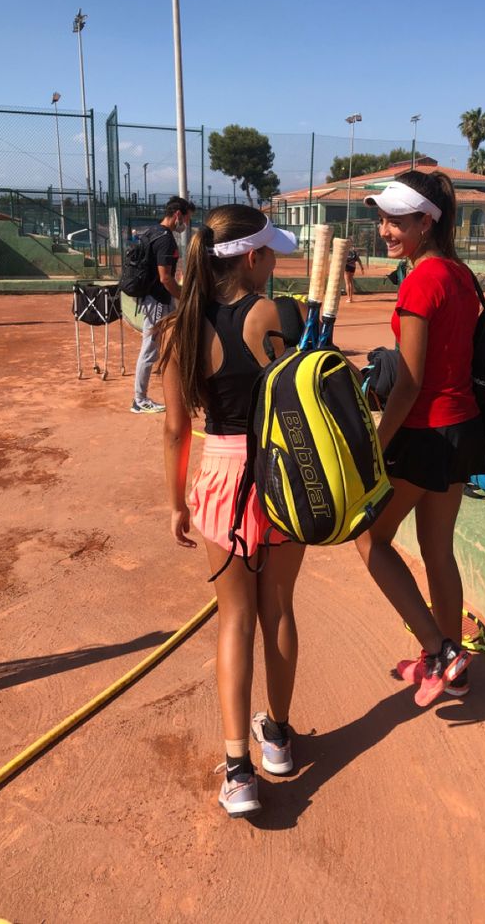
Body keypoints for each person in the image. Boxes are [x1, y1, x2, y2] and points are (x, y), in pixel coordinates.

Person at [159, 204, 305, 818]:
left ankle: (239, 769)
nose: (275, 261)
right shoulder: (277, 314)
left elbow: (174, 429)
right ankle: (277, 736)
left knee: (234, 621)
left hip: (220, 480)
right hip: (280, 474)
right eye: (271, 251)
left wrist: (176, 504)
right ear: (252, 258)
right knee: (279, 608)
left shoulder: (178, 329)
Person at [354, 172, 485, 707]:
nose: (385, 229)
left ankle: (439, 652)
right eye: (383, 219)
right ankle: (451, 661)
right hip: (461, 428)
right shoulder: (459, 273)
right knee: (437, 550)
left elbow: (408, 383)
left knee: (371, 541)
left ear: (425, 221)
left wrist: (375, 444)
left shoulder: (420, 280)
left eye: (396, 220)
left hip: (424, 431)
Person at [130, 196, 194, 415]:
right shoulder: (165, 238)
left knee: (177, 338)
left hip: (155, 298)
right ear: (178, 214)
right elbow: (165, 278)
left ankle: (184, 387)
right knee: (150, 348)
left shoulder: (151, 231)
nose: (186, 224)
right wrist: (183, 297)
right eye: (186, 218)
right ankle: (139, 399)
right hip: (157, 299)